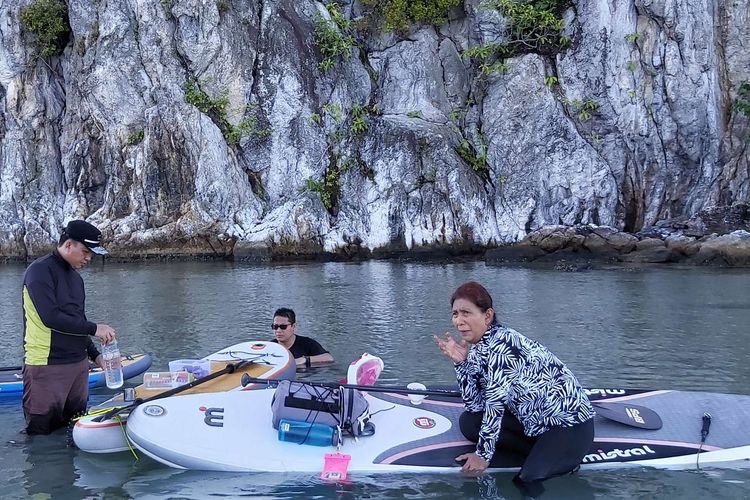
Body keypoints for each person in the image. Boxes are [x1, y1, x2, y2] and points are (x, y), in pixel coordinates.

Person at [434, 281, 594, 493]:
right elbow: (475, 405)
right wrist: (461, 365)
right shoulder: (480, 347)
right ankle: (540, 453)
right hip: (534, 421)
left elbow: (495, 405)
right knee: (470, 422)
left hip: (568, 425)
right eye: (455, 314)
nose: (458, 321)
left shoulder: (503, 346)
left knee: (527, 481)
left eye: (466, 313)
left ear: (487, 315)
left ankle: (560, 461)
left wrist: (482, 456)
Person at [22, 220, 116, 435]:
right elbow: (50, 317)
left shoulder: (76, 279)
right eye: (85, 251)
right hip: (47, 365)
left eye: (91, 254)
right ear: (68, 245)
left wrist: (95, 356)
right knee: (40, 435)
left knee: (74, 432)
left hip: (78, 366)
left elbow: (77, 321)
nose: (88, 258)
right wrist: (95, 328)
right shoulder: (39, 271)